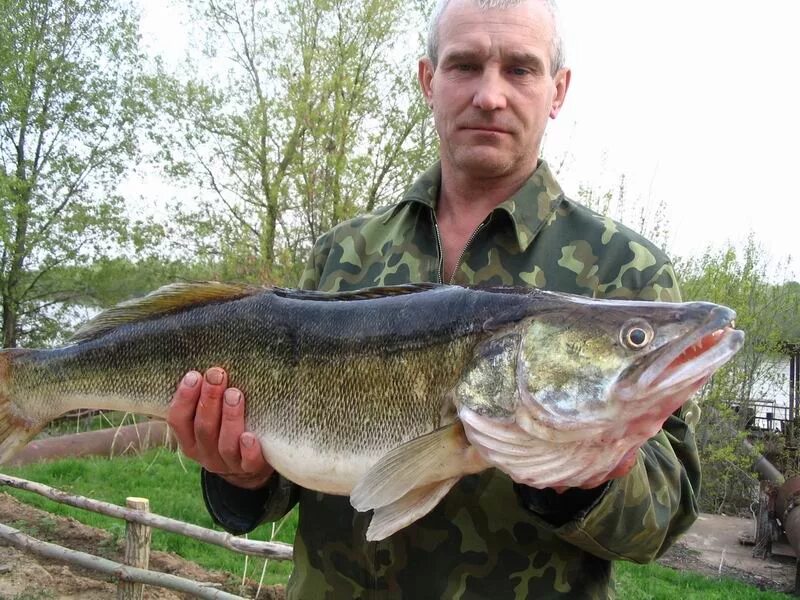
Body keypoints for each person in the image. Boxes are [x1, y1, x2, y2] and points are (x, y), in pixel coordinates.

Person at [167, 0, 701, 597]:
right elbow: (285, 480)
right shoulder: (343, 253)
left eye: (520, 69)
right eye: (465, 65)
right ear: (429, 80)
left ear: (558, 89)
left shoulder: (626, 271)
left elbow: (662, 518)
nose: (490, 95)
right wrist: (239, 474)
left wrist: (583, 478)